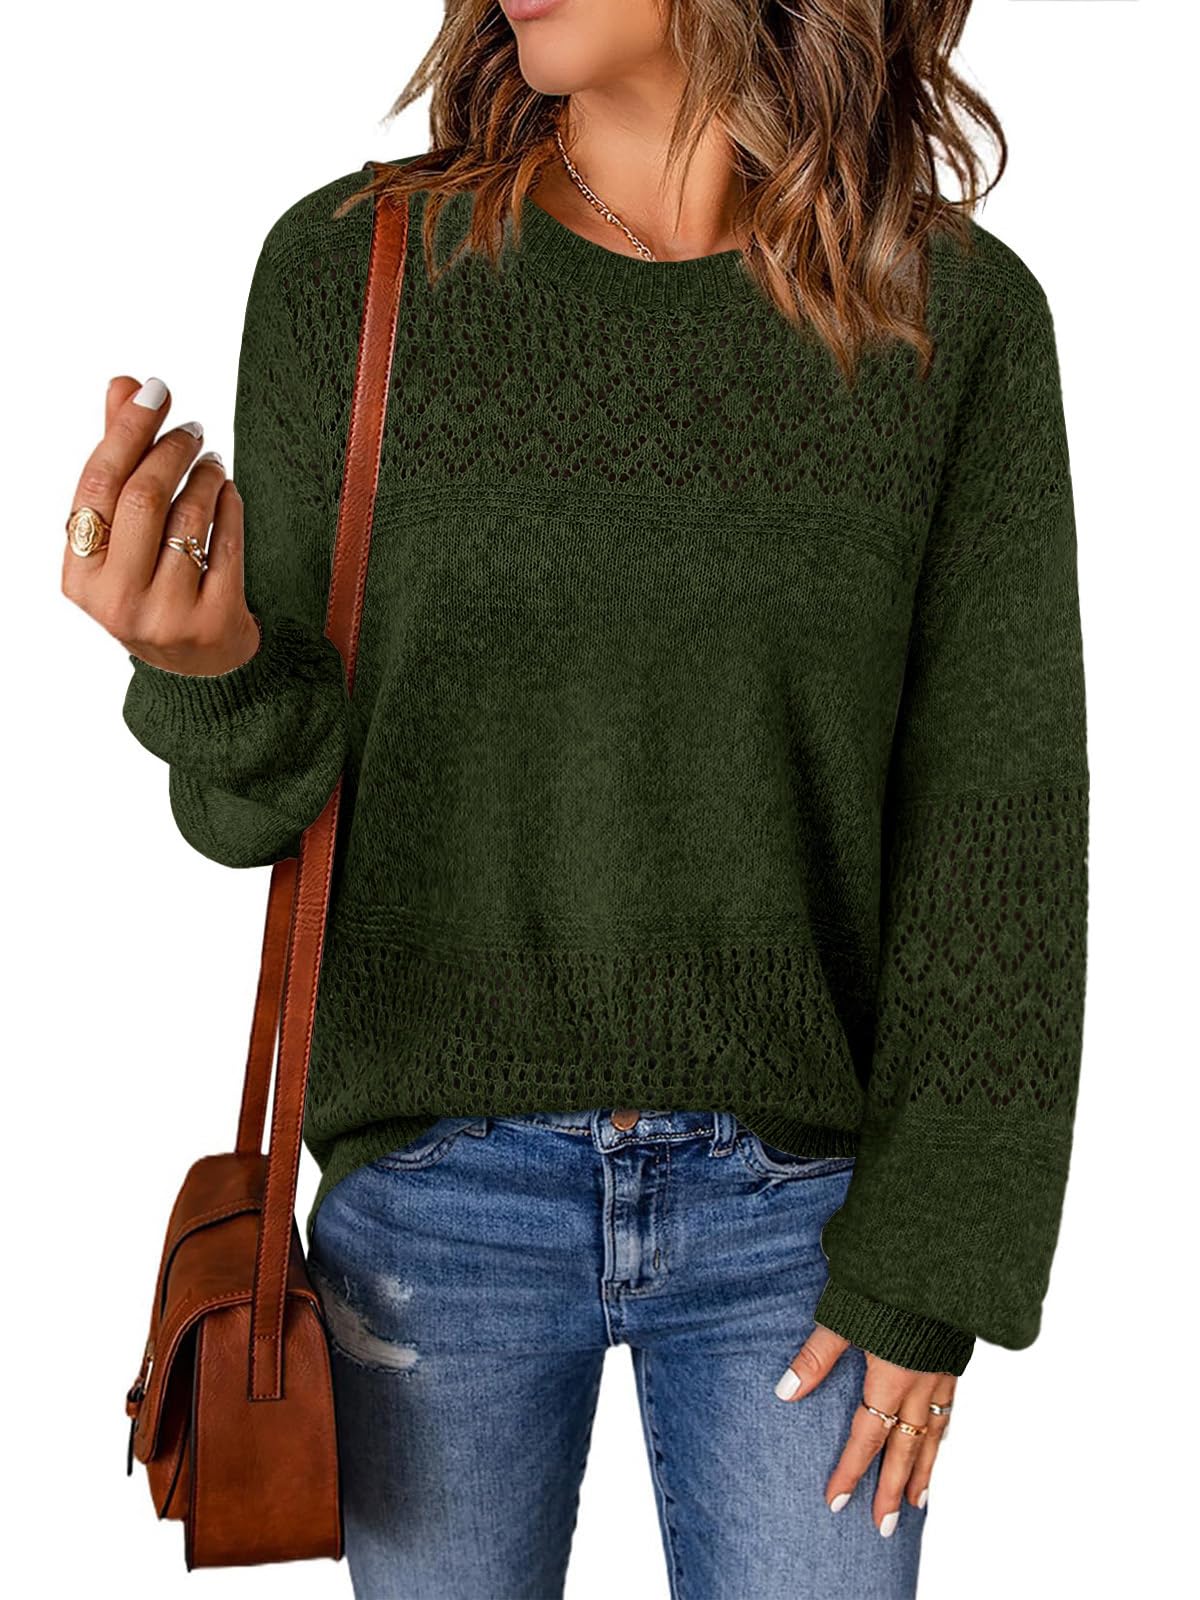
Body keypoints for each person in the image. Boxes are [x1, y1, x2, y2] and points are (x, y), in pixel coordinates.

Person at [62, 1, 1089, 1595]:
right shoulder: (354, 274)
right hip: (433, 1204)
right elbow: (247, 813)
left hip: (806, 1227)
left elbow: (999, 820)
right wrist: (205, 670)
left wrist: (936, 1266)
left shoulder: (949, 317)